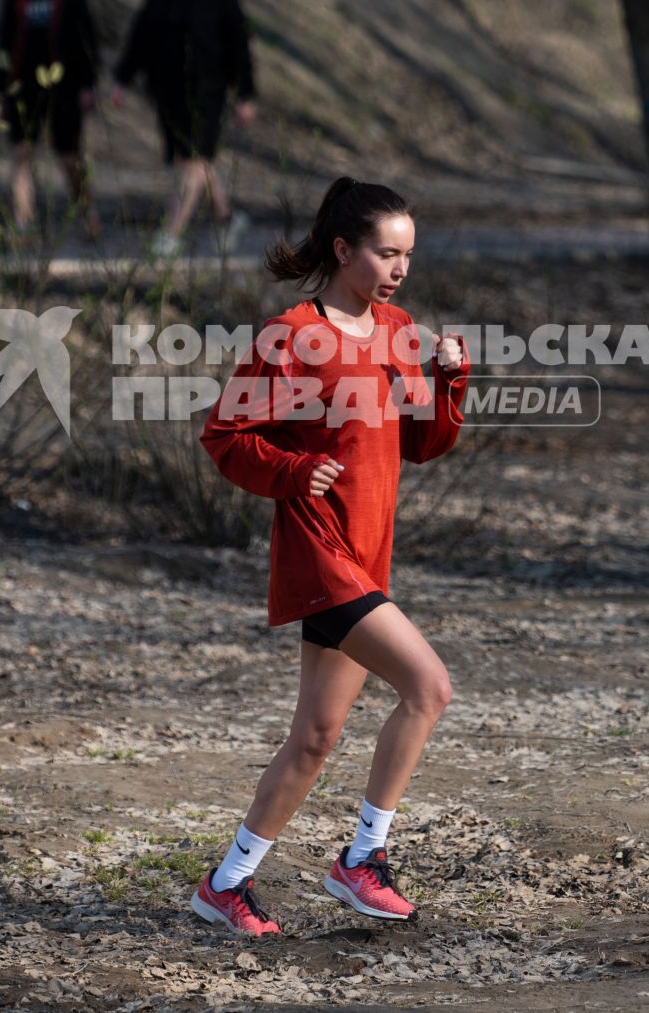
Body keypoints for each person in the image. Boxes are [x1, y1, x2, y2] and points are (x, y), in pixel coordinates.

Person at [191, 177, 471, 937]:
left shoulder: (399, 331)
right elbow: (224, 435)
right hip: (320, 554)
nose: (399, 267)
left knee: (315, 738)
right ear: (344, 249)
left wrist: (449, 384)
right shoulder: (291, 336)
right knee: (429, 686)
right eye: (387, 251)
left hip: (367, 557)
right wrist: (289, 472)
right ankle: (362, 858)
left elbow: (423, 444)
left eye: (408, 254)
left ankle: (227, 883)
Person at [110, 0, 256, 257]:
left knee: (193, 161)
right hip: (166, 92)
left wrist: (245, 94)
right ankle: (228, 219)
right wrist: (122, 79)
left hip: (207, 92)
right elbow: (140, 37)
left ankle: (171, 233)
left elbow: (239, 46)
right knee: (190, 159)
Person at [0, 0, 103, 240]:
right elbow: (3, 44)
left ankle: (85, 211)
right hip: (23, 87)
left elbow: (89, 44)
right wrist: (1, 90)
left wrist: (88, 85)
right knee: (21, 153)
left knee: (69, 156)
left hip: (65, 87)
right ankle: (23, 222)